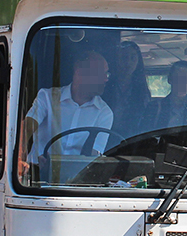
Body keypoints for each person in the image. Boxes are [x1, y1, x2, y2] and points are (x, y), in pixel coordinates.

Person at [17, 50, 113, 183]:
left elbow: (94, 155)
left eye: (106, 74)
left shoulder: (104, 112)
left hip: (75, 179)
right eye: (101, 73)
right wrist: (18, 158)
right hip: (36, 173)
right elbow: (26, 127)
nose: (106, 79)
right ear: (79, 72)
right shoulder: (47, 97)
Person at [153, 61, 187, 148]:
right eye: (180, 78)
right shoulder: (155, 108)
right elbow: (144, 140)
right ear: (170, 79)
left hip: (186, 160)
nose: (183, 83)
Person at [105, 40, 152, 138]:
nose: (128, 62)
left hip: (132, 141)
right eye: (124, 57)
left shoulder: (142, 91)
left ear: (138, 61)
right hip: (105, 138)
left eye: (133, 58)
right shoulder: (105, 87)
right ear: (116, 60)